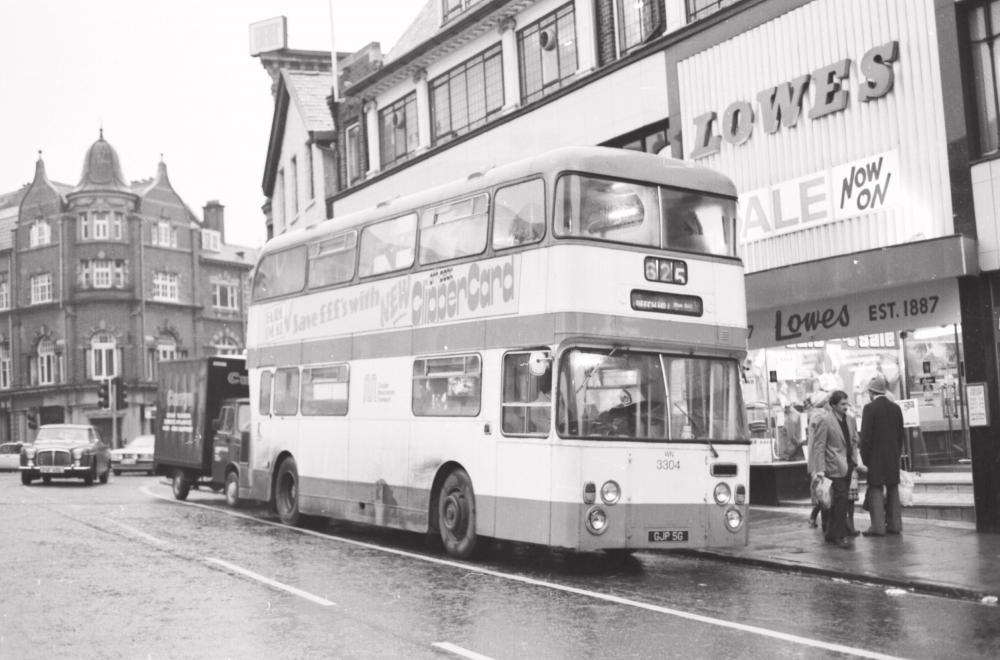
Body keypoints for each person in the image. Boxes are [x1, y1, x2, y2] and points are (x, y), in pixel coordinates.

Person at [807, 390, 860, 548]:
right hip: (832, 467)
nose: (846, 407)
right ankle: (839, 535)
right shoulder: (825, 420)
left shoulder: (850, 420)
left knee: (838, 502)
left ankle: (831, 534)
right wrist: (820, 469)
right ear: (834, 405)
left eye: (847, 403)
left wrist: (855, 449)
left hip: (848, 465)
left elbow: (853, 439)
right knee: (841, 499)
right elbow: (819, 446)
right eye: (842, 404)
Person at [859, 375, 906, 536]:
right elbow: (901, 435)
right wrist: (896, 454)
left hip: (875, 458)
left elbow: (865, 438)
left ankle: (878, 527)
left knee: (876, 489)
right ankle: (895, 525)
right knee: (893, 488)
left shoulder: (869, 409)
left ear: (872, 392)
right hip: (892, 456)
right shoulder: (896, 408)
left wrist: (865, 459)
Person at [805, 391, 829, 529]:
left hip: (815, 459)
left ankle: (815, 518)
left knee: (821, 490)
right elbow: (820, 443)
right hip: (819, 460)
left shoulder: (814, 416)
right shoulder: (820, 417)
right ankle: (821, 521)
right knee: (823, 491)